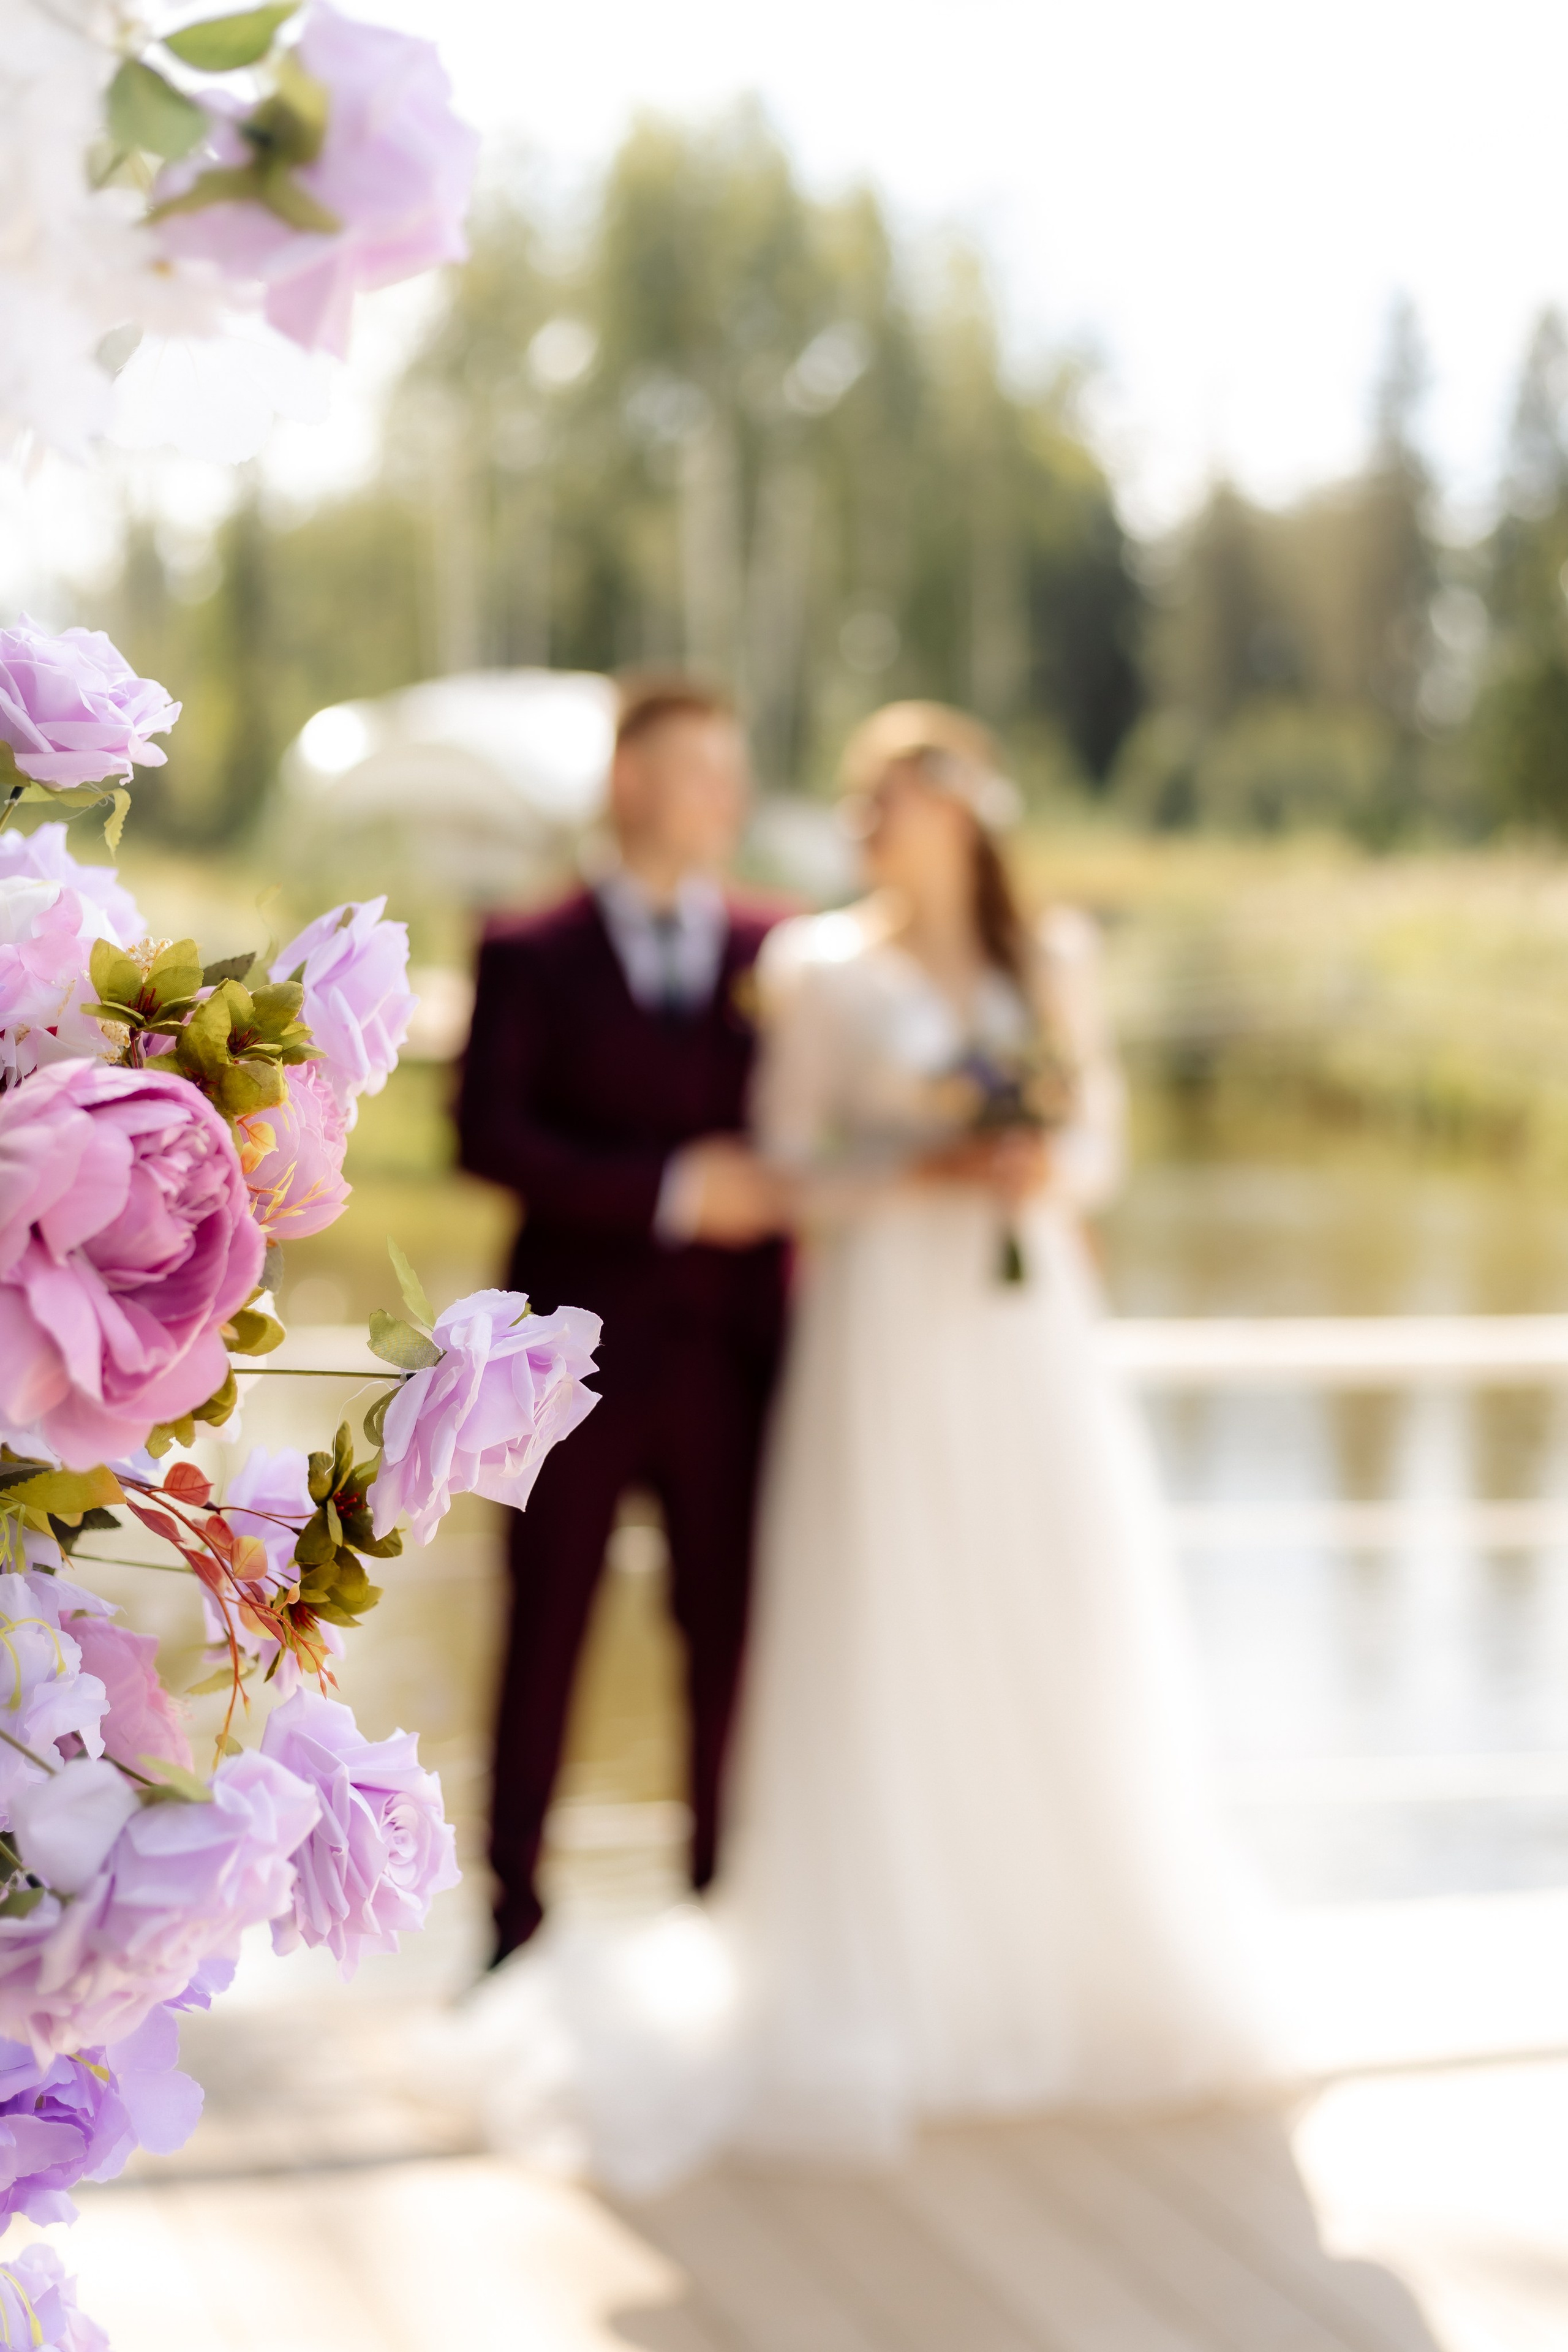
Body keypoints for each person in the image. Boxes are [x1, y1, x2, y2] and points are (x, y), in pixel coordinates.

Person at [718, 700, 1271, 2158]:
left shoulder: (1056, 960)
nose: (877, 818)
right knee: (896, 1609)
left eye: (903, 792)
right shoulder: (817, 965)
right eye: (864, 796)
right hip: (889, 1319)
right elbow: (786, 1161)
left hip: (1026, 1336)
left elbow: (1101, 1148)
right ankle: (905, 1976)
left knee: (1052, 1606)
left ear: (965, 810)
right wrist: (919, 1170)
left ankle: (1066, 1952)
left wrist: (1033, 1163)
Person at [457, 674, 788, 1964]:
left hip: (730, 1362)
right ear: (628, 784)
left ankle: (721, 1915)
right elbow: (488, 1134)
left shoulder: (780, 951)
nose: (728, 798)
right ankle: (511, 1930)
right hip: (565, 1364)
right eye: (702, 770)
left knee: (728, 1643)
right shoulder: (524, 951)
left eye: (733, 771)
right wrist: (667, 1193)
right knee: (542, 1636)